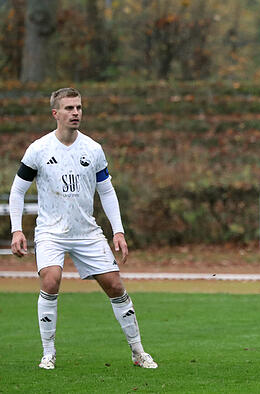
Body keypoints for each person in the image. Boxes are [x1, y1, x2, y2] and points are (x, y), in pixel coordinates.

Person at [9, 87, 158, 370]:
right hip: (51, 231)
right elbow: (17, 191)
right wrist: (17, 230)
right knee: (50, 280)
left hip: (87, 232)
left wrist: (118, 231)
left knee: (115, 286)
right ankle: (48, 353)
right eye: (69, 108)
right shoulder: (39, 149)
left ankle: (138, 352)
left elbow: (107, 191)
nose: (75, 112)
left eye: (78, 107)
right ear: (55, 113)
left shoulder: (93, 149)